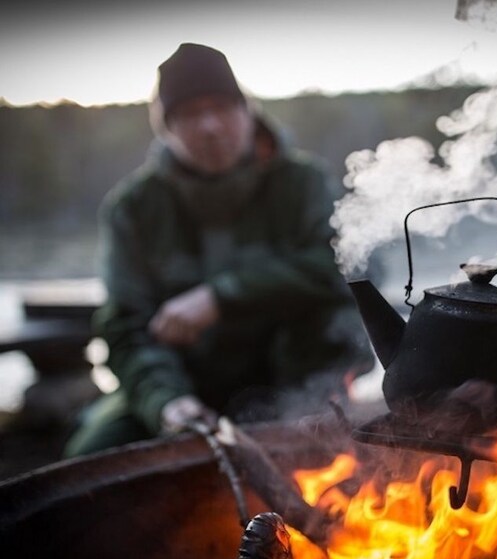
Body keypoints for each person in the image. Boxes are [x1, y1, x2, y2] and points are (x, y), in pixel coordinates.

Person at [64, 43, 372, 456]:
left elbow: (349, 268)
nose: (209, 126)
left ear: (247, 111)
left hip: (301, 387)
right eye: (189, 114)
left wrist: (221, 297)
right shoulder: (134, 208)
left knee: (336, 468)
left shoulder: (303, 183)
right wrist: (166, 402)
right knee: (90, 459)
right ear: (166, 128)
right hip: (190, 388)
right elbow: (125, 327)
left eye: (222, 107)